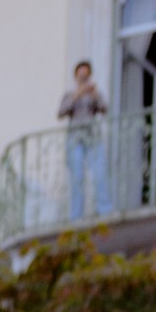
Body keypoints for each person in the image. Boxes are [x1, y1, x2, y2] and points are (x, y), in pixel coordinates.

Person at [61, 59, 111, 222]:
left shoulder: (94, 94)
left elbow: (104, 108)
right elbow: (61, 112)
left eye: (86, 76)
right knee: (77, 177)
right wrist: (78, 94)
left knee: (100, 172)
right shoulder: (70, 95)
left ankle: (104, 211)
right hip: (75, 138)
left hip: (92, 137)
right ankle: (76, 216)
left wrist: (94, 94)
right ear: (76, 77)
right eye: (81, 76)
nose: (84, 79)